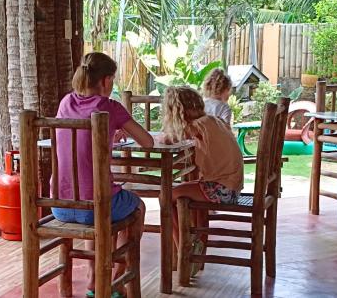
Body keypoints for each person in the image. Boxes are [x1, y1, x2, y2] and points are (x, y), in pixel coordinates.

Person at [53, 52, 154, 297]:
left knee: (100, 209)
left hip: (60, 205)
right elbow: (147, 142)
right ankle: (115, 279)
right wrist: (118, 127)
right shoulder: (110, 107)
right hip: (95, 207)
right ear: (107, 81)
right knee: (136, 206)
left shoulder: (65, 102)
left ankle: (92, 277)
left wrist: (111, 133)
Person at [159, 86, 244, 275]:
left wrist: (163, 136)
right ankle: (192, 245)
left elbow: (169, 138)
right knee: (183, 193)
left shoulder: (198, 126)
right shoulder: (213, 121)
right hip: (229, 188)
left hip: (221, 189)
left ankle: (184, 249)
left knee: (166, 195)